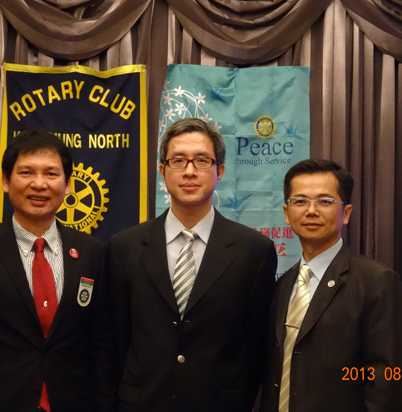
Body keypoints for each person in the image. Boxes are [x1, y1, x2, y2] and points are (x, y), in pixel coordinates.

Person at [0, 129, 111, 412]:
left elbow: (101, 346)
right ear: (5, 181)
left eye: (51, 174)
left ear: (68, 185)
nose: (39, 184)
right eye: (26, 172)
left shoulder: (92, 253)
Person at [107, 118, 277, 412]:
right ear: (162, 170)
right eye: (178, 161)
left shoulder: (254, 251)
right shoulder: (124, 247)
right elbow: (115, 340)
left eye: (201, 160)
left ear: (219, 171)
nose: (189, 171)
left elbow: (256, 346)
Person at [259, 159, 402, 412]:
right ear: (286, 213)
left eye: (325, 201)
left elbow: (391, 380)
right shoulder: (283, 285)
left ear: (347, 213)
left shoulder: (377, 281)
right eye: (300, 201)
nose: (311, 210)